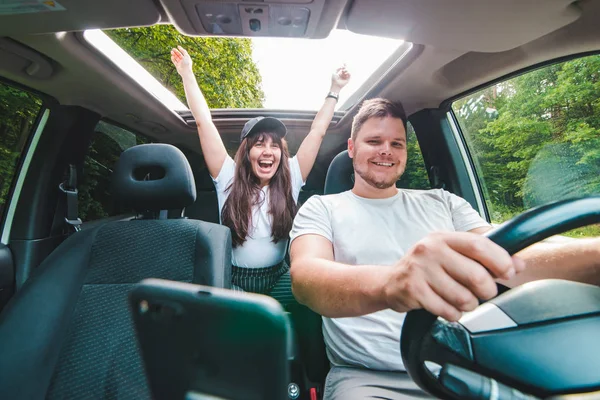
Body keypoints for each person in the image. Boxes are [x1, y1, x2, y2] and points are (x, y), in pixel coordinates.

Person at [289, 98, 600, 399]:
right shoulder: (322, 208)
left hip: (461, 364)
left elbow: (512, 255)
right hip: (368, 380)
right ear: (352, 148)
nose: (386, 150)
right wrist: (393, 281)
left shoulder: (444, 202)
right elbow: (307, 277)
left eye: (397, 143)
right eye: (374, 141)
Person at [170, 45, 351, 302]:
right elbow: (203, 121)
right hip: (233, 282)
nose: (268, 152)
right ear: (246, 151)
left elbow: (317, 132)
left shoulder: (292, 178)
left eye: (274, 146)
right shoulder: (228, 177)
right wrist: (187, 73)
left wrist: (335, 89)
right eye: (259, 144)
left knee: (311, 287)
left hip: (280, 280)